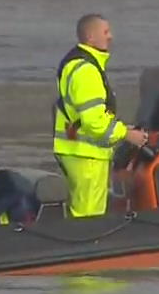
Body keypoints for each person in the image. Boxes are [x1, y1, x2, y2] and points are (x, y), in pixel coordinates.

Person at [53, 14, 147, 218]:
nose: (111, 36)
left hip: (78, 152)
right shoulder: (86, 71)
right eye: (105, 32)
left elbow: (90, 115)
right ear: (90, 37)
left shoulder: (78, 65)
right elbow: (94, 121)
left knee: (82, 210)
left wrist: (123, 128)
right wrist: (126, 134)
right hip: (86, 156)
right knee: (88, 217)